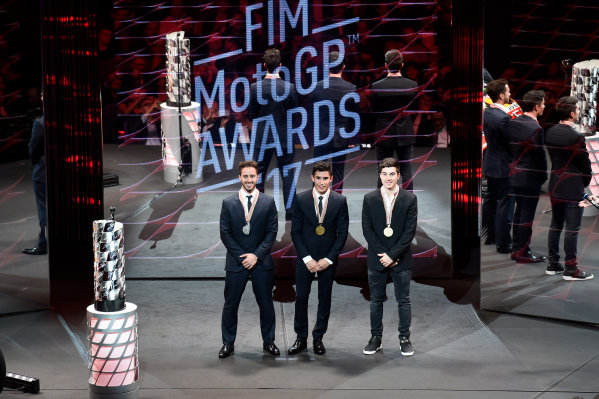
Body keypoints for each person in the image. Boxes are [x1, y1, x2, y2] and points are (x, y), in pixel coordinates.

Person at [218, 160, 280, 358]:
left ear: (257, 177)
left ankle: (269, 342)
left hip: (261, 262)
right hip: (236, 263)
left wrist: (256, 255)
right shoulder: (228, 203)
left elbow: (271, 232)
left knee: (266, 305)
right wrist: (242, 256)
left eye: (252, 176)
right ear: (239, 178)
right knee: (230, 305)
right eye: (245, 176)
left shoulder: (268, 201)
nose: (249, 179)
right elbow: (225, 233)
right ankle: (228, 343)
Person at [288, 161, 349, 355]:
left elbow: (343, 233)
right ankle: (301, 338)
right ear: (312, 178)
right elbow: (295, 232)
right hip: (306, 258)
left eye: (325, 179)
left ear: (331, 178)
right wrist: (307, 258)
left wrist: (328, 259)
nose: (322, 183)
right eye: (318, 178)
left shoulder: (340, 201)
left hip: (327, 260)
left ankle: (318, 338)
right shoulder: (301, 199)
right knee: (301, 298)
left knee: (324, 299)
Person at [361, 157, 417, 356]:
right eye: (384, 174)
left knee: (403, 300)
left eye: (392, 173)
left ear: (399, 175)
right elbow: (367, 231)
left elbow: (409, 232)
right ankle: (376, 338)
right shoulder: (369, 198)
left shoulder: (409, 199)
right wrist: (382, 255)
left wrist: (392, 255)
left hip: (401, 258)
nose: (388, 177)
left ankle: (404, 338)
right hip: (377, 259)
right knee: (376, 300)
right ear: (379, 175)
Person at [545, 97, 595, 280]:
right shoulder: (575, 137)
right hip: (572, 186)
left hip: (555, 184)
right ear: (572, 113)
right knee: (572, 228)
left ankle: (552, 263)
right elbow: (585, 164)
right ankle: (570, 269)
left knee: (556, 224)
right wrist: (586, 181)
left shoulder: (549, 132)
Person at [249, 48, 298, 220]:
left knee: (259, 174)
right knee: (287, 174)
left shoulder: (255, 88)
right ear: (280, 66)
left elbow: (252, 114)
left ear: (264, 65)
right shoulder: (289, 88)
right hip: (284, 136)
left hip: (262, 136)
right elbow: (294, 113)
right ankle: (290, 213)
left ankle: (260, 211)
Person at [370, 50, 418, 191]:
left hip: (384, 132)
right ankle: (409, 203)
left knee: (383, 171)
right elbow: (414, 110)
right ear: (402, 65)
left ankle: (381, 202)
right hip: (405, 131)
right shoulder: (413, 85)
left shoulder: (377, 86)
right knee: (406, 170)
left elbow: (374, 111)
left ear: (386, 65)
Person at [508, 90, 548, 263]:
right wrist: (544, 175)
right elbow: (539, 157)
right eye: (544, 104)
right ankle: (523, 252)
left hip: (515, 173)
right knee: (527, 215)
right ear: (537, 106)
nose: (545, 106)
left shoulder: (514, 122)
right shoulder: (536, 129)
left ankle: (517, 248)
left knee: (519, 212)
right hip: (530, 177)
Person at [312, 51, 359, 193]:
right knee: (338, 172)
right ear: (343, 67)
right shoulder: (351, 88)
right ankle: (336, 206)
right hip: (342, 135)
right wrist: (350, 137)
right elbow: (353, 117)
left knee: (319, 173)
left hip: (321, 135)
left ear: (327, 66)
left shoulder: (317, 87)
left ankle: (317, 206)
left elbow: (312, 113)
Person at [482, 79, 514, 253]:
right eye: (508, 91)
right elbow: (511, 144)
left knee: (490, 200)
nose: (510, 94)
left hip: (490, 163)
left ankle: (491, 236)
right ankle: (503, 243)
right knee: (505, 203)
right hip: (503, 166)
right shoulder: (503, 118)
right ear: (501, 95)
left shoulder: (487, 112)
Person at [22, 115, 47, 255]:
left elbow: (33, 148)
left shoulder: (40, 123)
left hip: (43, 171)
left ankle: (44, 244)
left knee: (44, 209)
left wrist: (36, 163)